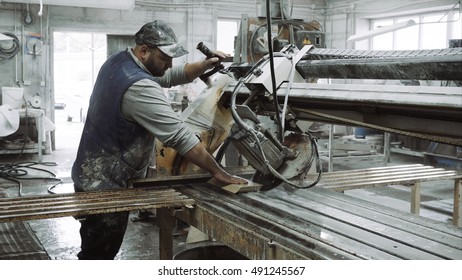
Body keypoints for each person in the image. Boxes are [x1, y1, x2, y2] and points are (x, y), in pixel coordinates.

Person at [71, 20, 247, 260]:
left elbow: (168, 75)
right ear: (144, 51)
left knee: (95, 244)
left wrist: (204, 65)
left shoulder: (119, 61)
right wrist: (219, 172)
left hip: (91, 171)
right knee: (99, 253)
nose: (169, 64)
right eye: (165, 58)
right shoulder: (139, 87)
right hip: (106, 184)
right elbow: (180, 137)